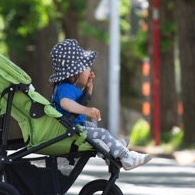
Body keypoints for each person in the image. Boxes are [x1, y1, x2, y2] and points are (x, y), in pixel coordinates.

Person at [49, 39, 151, 171]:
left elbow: (80, 101)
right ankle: (127, 158)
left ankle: (114, 148)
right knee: (101, 133)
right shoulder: (65, 88)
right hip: (69, 131)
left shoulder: (68, 87)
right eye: (86, 66)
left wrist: (88, 88)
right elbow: (65, 104)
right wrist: (87, 111)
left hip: (74, 128)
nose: (89, 69)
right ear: (74, 71)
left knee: (95, 131)